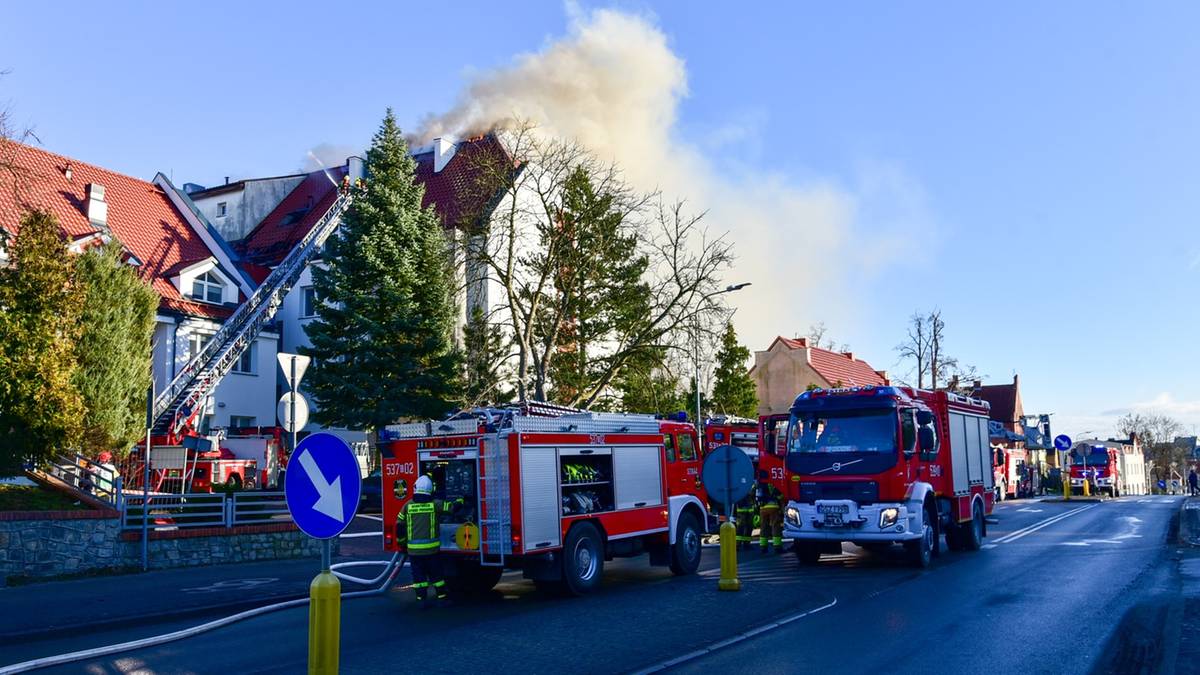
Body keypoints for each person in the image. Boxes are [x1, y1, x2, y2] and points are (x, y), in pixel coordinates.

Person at [395, 475, 460, 608]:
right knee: (437, 576)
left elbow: (399, 526)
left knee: (419, 578)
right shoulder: (435, 504)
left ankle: (421, 600)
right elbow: (452, 508)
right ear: (430, 490)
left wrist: (401, 543)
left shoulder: (407, 506)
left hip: (414, 552)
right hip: (432, 551)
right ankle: (442, 599)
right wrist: (461, 500)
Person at [757, 480, 785, 554]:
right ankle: (777, 547)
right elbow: (780, 496)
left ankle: (763, 547)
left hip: (762, 508)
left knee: (763, 527)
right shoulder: (775, 482)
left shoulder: (761, 483)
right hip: (774, 507)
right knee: (775, 526)